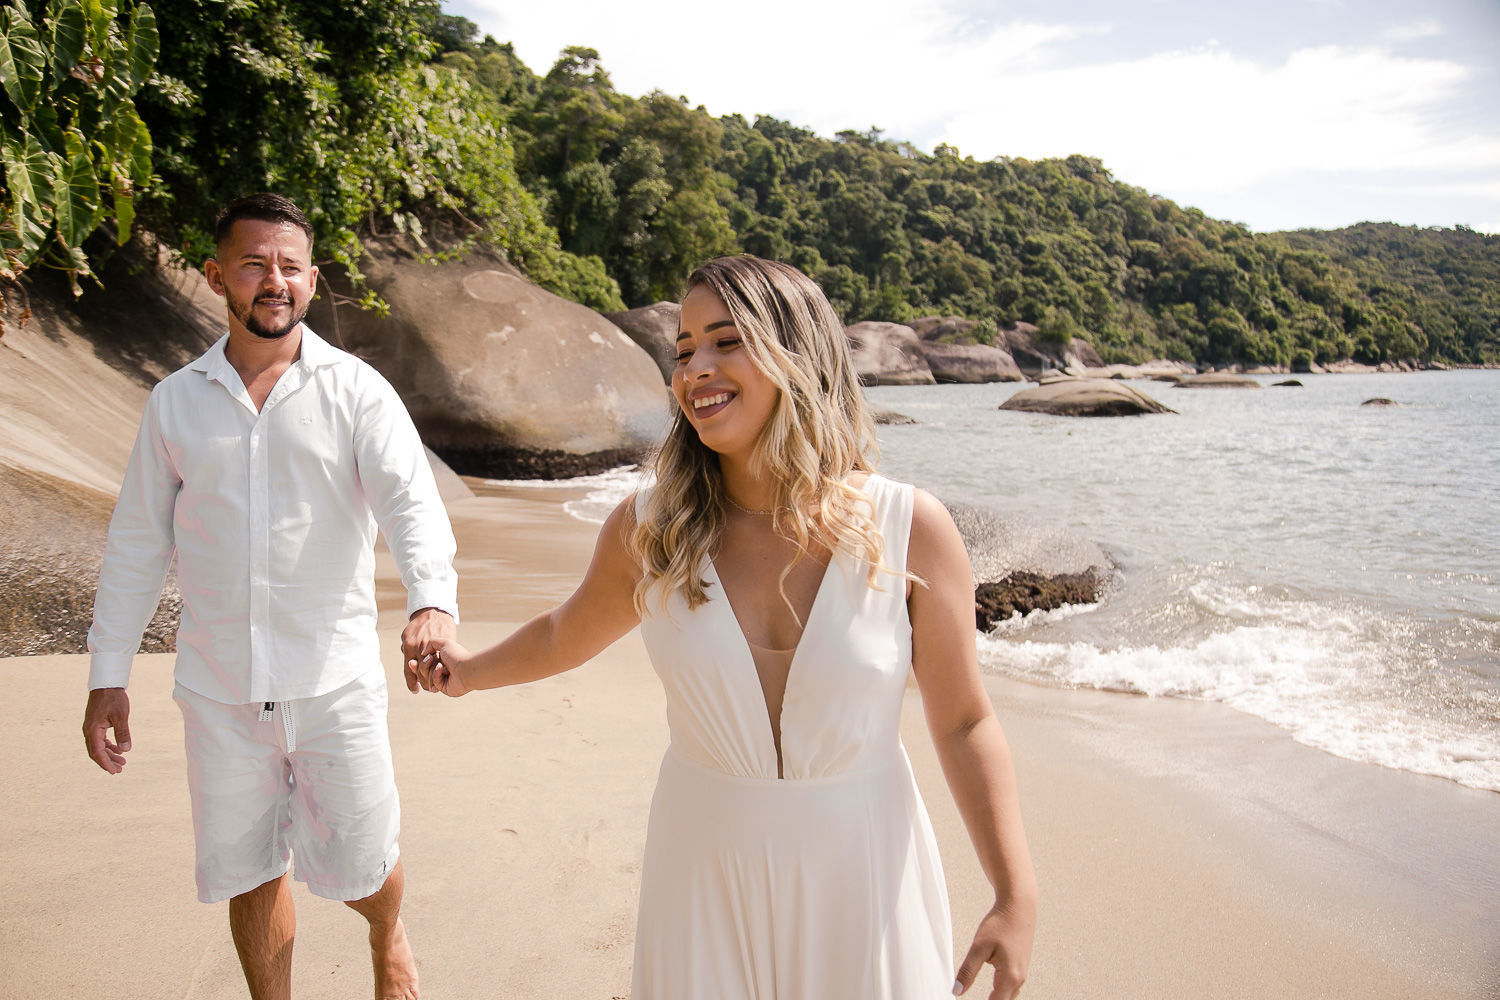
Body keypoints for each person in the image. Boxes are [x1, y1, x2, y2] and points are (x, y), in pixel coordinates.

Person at [410, 255, 1037, 999]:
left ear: (796, 354)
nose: (695, 368)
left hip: (865, 873)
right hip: (702, 870)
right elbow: (561, 634)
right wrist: (466, 670)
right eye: (682, 350)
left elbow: (964, 720)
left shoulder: (909, 528)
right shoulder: (652, 530)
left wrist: (1014, 894)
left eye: (726, 341)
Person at [82, 192, 458, 1000]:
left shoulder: (358, 392)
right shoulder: (175, 402)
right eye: (254, 264)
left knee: (364, 860)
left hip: (335, 681)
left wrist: (432, 599)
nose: (273, 281)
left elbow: (411, 504)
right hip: (218, 689)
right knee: (250, 870)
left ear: (313, 281)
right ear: (217, 275)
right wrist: (107, 674)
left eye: (289, 266)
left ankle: (389, 937)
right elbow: (138, 543)